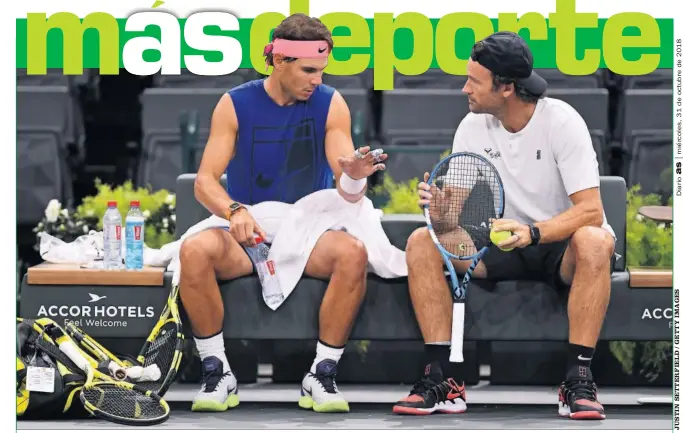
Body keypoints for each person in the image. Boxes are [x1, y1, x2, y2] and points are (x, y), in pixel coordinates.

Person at [393, 31, 615, 420]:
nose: (465, 88)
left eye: (474, 81)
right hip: (495, 245)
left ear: (507, 87)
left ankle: (578, 379)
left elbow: (591, 211)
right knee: (422, 241)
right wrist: (441, 209)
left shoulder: (562, 122)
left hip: (558, 247)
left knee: (596, 240)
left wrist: (532, 233)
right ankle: (441, 378)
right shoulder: (471, 127)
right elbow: (454, 220)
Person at [178, 13, 387, 413]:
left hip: (308, 231)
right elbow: (204, 182)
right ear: (278, 62)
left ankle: (321, 374)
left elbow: (345, 181)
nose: (317, 80)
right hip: (247, 228)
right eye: (309, 70)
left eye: (322, 71)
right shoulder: (234, 104)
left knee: (352, 253)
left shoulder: (331, 103)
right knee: (194, 251)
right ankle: (217, 370)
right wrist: (234, 210)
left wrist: (355, 176)